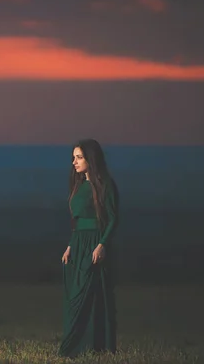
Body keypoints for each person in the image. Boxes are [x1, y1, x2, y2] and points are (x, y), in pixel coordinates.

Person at [58, 138, 119, 358]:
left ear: (90, 159)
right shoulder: (78, 185)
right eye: (73, 158)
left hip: (95, 244)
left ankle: (98, 346)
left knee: (95, 296)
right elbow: (77, 222)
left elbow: (113, 218)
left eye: (79, 157)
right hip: (78, 244)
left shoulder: (105, 184)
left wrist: (102, 244)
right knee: (74, 296)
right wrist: (70, 245)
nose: (74, 162)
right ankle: (74, 346)